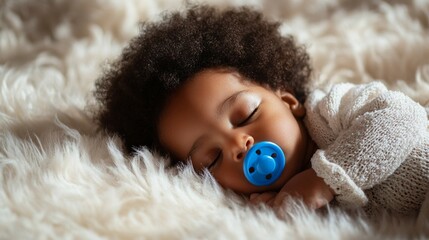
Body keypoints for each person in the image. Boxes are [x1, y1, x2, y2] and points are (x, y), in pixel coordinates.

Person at [93, 5, 429, 218]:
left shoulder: (332, 110)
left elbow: (402, 118)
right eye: (211, 159)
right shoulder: (270, 204)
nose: (239, 144)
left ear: (287, 100)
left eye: (244, 116)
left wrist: (322, 179)